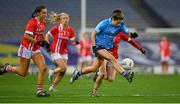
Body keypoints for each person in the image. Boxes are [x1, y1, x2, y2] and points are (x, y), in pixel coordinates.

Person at [70, 9, 140, 84]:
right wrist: (94, 46)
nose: (119, 24)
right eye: (118, 22)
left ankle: (77, 74)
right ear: (113, 19)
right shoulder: (104, 24)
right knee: (112, 59)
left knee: (93, 68)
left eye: (120, 22)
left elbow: (127, 33)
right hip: (98, 46)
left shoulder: (121, 25)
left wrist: (132, 35)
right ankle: (126, 75)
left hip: (106, 48)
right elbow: (93, 34)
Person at [0, 5, 50, 97]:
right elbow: (26, 36)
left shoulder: (43, 22)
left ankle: (39, 91)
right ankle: (8, 68)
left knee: (43, 68)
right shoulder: (32, 22)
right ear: (38, 13)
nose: (45, 14)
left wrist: (45, 42)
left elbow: (40, 33)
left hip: (35, 49)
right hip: (26, 48)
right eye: (43, 13)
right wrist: (37, 41)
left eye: (46, 12)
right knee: (23, 73)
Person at [92, 32, 145, 97]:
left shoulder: (120, 33)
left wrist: (140, 48)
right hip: (104, 55)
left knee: (111, 78)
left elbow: (130, 41)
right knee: (103, 74)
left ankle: (98, 74)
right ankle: (94, 91)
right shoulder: (106, 31)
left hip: (114, 57)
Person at [45, 12, 79, 92]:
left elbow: (72, 42)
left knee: (63, 71)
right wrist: (47, 44)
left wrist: (77, 42)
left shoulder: (70, 30)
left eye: (67, 18)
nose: (66, 20)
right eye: (64, 18)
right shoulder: (57, 28)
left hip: (64, 51)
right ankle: (52, 71)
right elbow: (47, 35)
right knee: (63, 67)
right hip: (55, 50)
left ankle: (53, 86)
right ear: (60, 20)